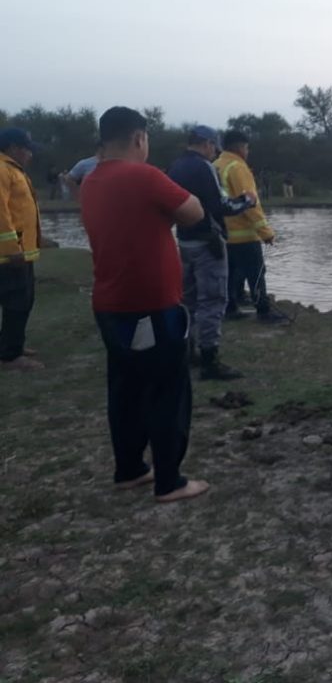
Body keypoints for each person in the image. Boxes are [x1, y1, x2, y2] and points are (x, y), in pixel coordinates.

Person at [80, 106, 209, 503]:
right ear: (139, 138)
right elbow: (194, 211)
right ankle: (169, 481)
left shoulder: (90, 180)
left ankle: (130, 469)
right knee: (167, 389)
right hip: (151, 304)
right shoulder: (144, 175)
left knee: (125, 388)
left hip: (109, 303)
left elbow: (131, 224)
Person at [168, 125, 256, 380]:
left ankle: (188, 351)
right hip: (209, 243)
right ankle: (210, 360)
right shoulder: (204, 167)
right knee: (214, 300)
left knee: (188, 300)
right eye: (212, 147)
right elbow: (221, 205)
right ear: (206, 143)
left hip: (183, 242)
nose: (214, 152)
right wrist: (247, 200)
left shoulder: (176, 166)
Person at [214, 130, 289, 324]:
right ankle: (263, 310)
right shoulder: (238, 167)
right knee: (256, 273)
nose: (248, 152)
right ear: (240, 148)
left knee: (230, 273)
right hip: (244, 235)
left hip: (223, 234)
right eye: (247, 148)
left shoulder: (215, 165)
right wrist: (266, 232)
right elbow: (251, 203)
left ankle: (230, 307)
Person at [0, 128, 44, 371]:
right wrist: (10, 248)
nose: (30, 155)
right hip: (11, 254)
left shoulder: (12, 169)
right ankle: (10, 355)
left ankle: (11, 343)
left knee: (22, 300)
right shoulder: (2, 170)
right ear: (14, 147)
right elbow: (1, 213)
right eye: (28, 149)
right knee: (17, 301)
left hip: (21, 251)